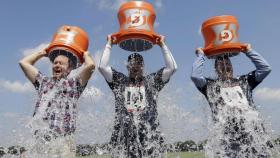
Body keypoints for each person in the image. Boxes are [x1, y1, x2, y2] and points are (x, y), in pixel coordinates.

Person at [99, 35, 177, 158]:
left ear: (143, 66)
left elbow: (172, 68)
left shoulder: (151, 81)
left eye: (139, 63)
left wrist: (162, 45)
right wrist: (109, 43)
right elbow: (102, 67)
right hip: (124, 140)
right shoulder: (120, 81)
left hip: (149, 138)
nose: (135, 66)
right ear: (127, 66)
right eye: (131, 63)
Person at [191, 44, 272, 157]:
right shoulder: (210, 86)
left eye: (228, 63)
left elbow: (265, 69)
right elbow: (195, 76)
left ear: (232, 67)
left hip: (253, 136)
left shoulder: (245, 81)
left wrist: (248, 51)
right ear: (216, 69)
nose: (225, 65)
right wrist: (201, 56)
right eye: (221, 64)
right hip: (228, 141)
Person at [19, 49, 95, 158]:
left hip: (64, 142)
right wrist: (43, 53)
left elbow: (91, 65)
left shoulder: (74, 84)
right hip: (41, 140)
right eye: (55, 63)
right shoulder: (43, 82)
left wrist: (85, 54)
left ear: (69, 69)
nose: (57, 65)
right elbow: (23, 63)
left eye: (61, 63)